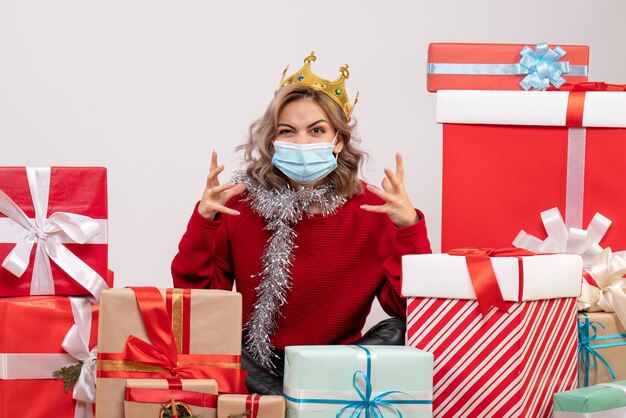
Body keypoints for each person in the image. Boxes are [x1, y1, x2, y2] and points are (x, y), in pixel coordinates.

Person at [172, 52, 431, 394]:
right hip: (255, 367)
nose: (302, 142)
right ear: (273, 141)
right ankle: (290, 405)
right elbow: (200, 303)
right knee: (205, 332)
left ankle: (297, 404)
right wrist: (204, 222)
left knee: (401, 328)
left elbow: (412, 309)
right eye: (288, 131)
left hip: (337, 365)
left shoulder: (373, 210)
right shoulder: (239, 205)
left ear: (338, 140)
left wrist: (408, 227)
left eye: (317, 130)